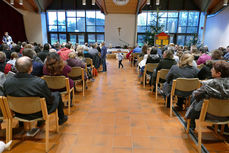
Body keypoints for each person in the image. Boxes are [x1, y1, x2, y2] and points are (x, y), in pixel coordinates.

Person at [3, 56, 68, 125]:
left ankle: (21, 123)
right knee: (57, 94)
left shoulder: (7, 83)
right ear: (31, 68)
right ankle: (61, 118)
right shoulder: (39, 82)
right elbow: (49, 99)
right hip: (38, 113)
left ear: (16, 68)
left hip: (17, 113)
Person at [185, 61, 229, 130]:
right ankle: (224, 127)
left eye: (213, 69)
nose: (211, 70)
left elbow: (195, 95)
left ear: (218, 74)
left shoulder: (209, 84)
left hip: (208, 114)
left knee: (196, 98)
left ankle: (191, 123)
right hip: (226, 116)